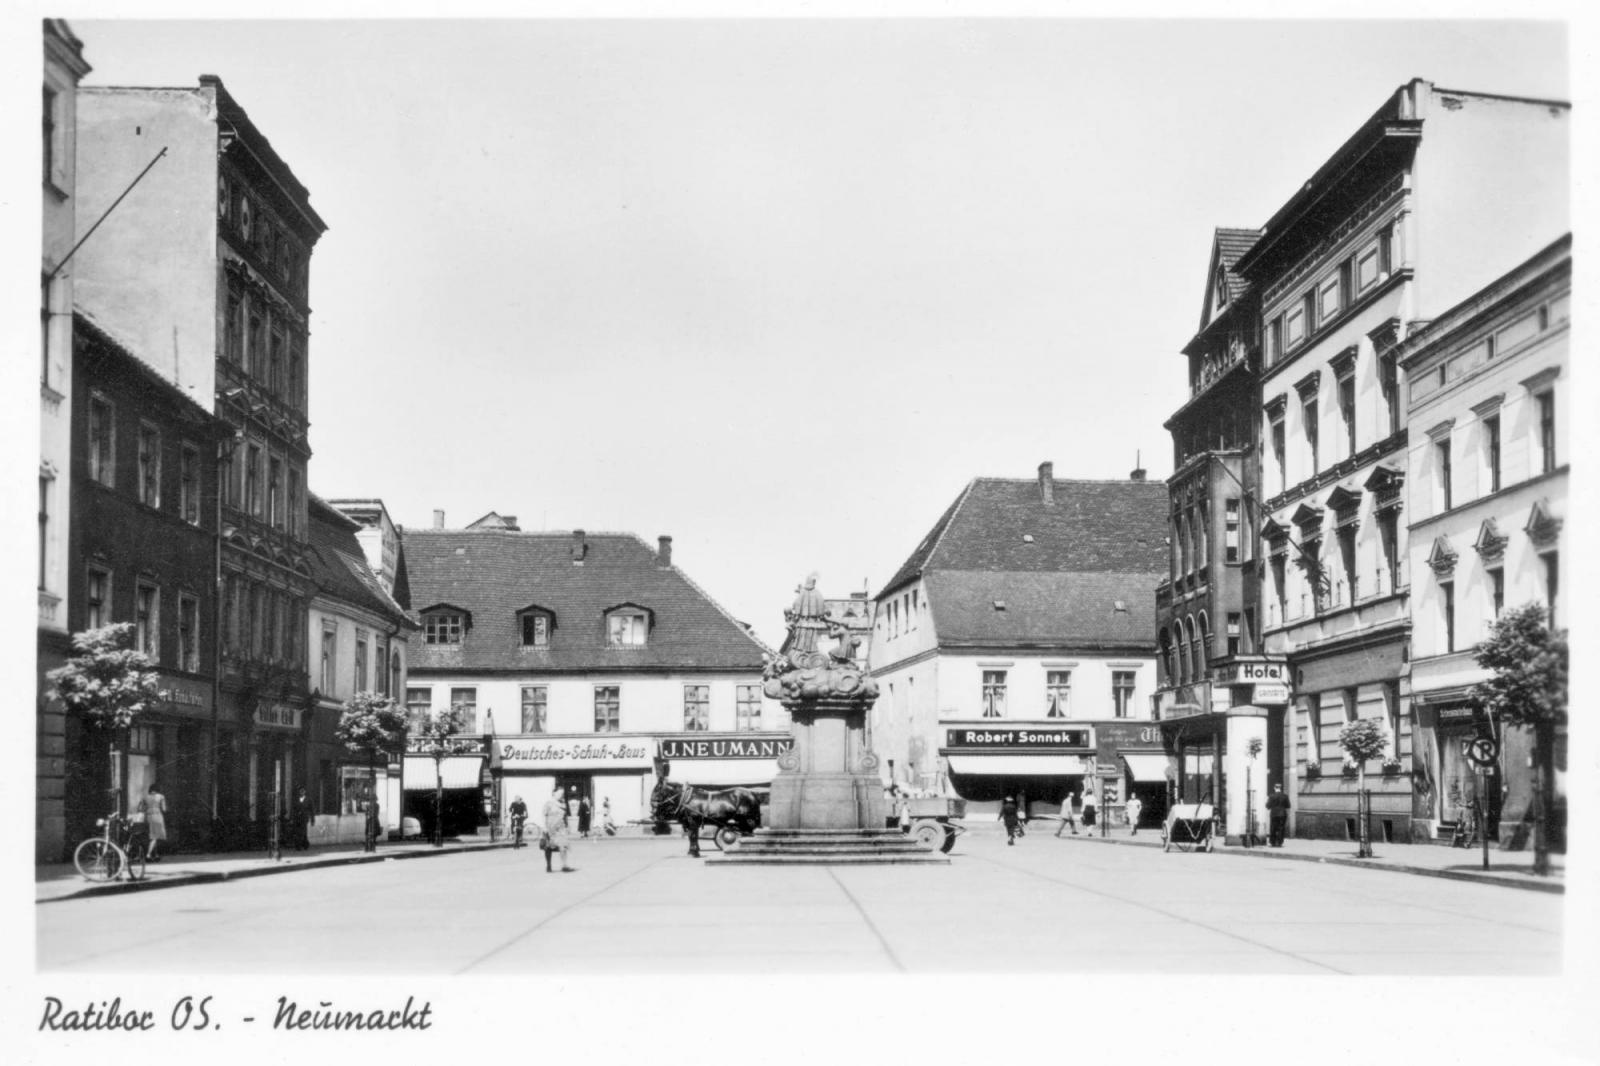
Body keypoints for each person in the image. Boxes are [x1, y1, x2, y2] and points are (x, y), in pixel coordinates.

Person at [542, 787, 574, 872]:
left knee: (563, 845)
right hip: (550, 828)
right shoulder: (549, 803)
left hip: (561, 829)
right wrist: (544, 827)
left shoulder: (563, 804)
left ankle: (564, 865)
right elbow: (544, 815)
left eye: (562, 794)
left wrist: (568, 826)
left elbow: (565, 816)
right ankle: (548, 865)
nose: (561, 795)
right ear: (554, 793)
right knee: (548, 847)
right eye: (559, 793)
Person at [140, 783, 168, 862]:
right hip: (157, 816)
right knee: (155, 836)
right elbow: (164, 809)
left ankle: (156, 855)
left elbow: (141, 808)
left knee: (153, 835)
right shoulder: (161, 797)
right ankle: (148, 855)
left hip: (148, 817)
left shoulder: (145, 797)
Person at [292, 787, 312, 851]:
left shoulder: (308, 799)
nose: (302, 792)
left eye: (303, 791)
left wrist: (312, 818)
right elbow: (293, 808)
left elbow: (311, 809)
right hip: (297, 818)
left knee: (303, 832)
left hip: (304, 818)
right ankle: (301, 845)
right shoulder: (296, 799)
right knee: (298, 832)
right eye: (300, 791)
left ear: (305, 792)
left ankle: (303, 845)